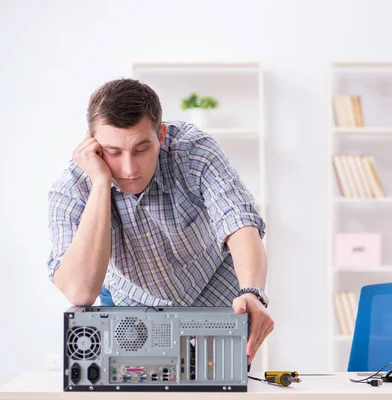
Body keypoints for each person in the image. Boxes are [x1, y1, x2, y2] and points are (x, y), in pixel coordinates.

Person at [47, 78, 273, 364]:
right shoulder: (71, 188)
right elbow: (80, 292)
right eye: (113, 152)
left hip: (215, 292)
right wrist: (101, 183)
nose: (129, 168)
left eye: (141, 149)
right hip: (134, 309)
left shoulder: (193, 150)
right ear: (92, 144)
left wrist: (252, 292)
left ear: (162, 136)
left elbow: (239, 222)